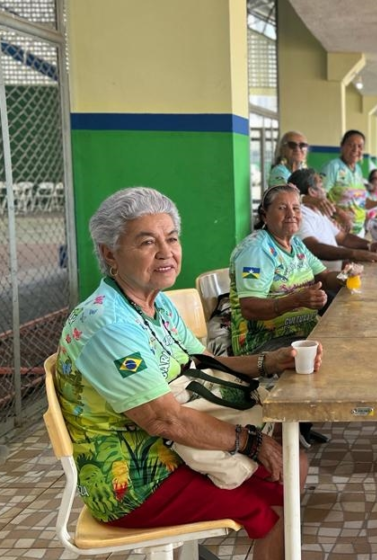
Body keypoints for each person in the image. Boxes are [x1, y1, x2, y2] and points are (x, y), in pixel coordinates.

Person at [55, 187, 318, 560]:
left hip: (176, 451)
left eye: (172, 238)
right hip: (135, 480)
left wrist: (271, 362)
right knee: (275, 502)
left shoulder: (155, 302)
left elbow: (202, 363)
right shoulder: (107, 324)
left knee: (293, 468)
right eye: (147, 242)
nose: (166, 252)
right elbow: (165, 420)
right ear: (109, 253)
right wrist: (253, 444)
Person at [230, 185, 345, 356]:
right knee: (336, 353)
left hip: (300, 334)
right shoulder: (256, 250)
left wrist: (347, 277)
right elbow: (250, 308)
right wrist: (297, 300)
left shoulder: (296, 244)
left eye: (296, 208)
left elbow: (325, 277)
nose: (291, 215)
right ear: (264, 215)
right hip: (262, 343)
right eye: (282, 208)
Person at [288, 168, 377, 268]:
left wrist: (369, 244)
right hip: (321, 282)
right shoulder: (301, 216)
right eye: (322, 185)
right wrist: (353, 254)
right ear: (312, 192)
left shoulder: (318, 211)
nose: (325, 191)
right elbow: (313, 248)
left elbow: (343, 238)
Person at [320, 130, 371, 235]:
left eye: (360, 146)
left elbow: (360, 200)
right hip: (338, 230)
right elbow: (320, 197)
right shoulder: (332, 167)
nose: (355, 149)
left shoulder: (358, 170)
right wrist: (340, 213)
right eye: (351, 145)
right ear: (342, 147)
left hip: (358, 231)